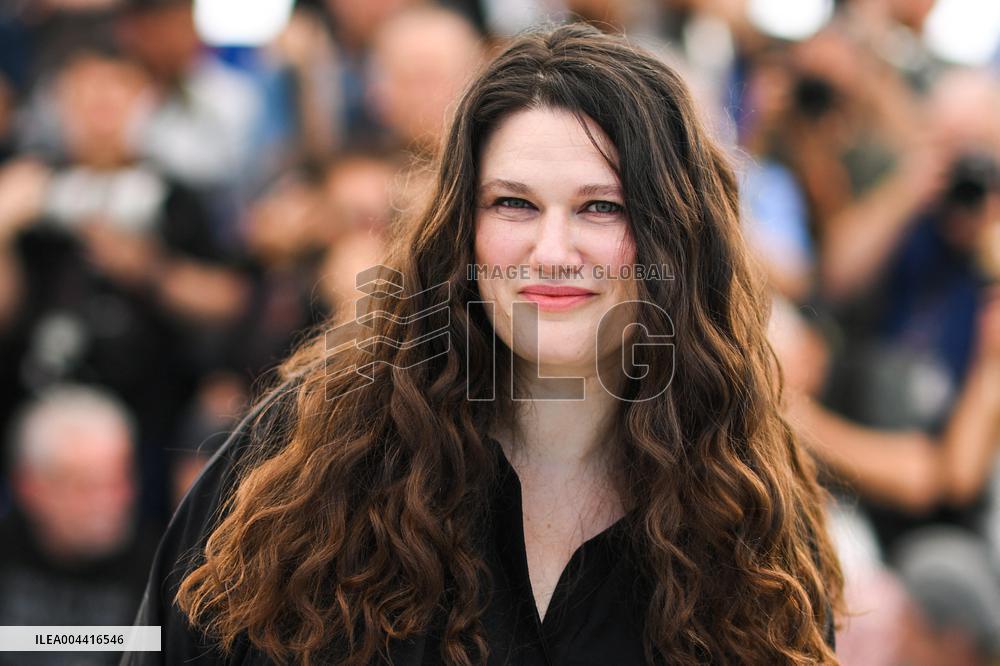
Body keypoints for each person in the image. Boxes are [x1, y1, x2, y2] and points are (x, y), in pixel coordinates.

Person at [124, 23, 843, 665]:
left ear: (676, 238)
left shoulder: (748, 511)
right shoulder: (302, 456)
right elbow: (161, 643)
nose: (552, 251)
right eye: (513, 203)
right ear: (459, 233)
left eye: (602, 207)